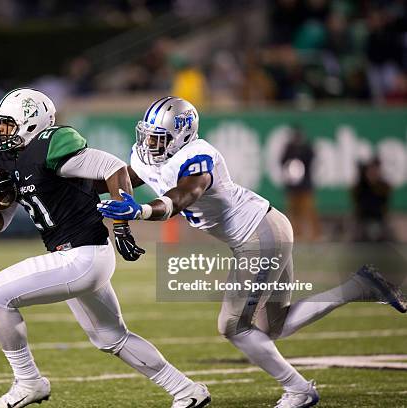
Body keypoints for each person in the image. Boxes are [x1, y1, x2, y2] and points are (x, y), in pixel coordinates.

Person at [97, 96, 407, 408]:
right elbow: (121, 175)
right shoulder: (146, 154)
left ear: (182, 135)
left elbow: (183, 196)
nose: (149, 142)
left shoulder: (199, 156)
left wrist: (140, 211)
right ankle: (360, 287)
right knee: (272, 327)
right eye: (148, 134)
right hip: (261, 232)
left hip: (260, 234)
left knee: (233, 326)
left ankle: (299, 390)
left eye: (158, 136)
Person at [0, 88, 210, 408]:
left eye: (7, 123)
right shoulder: (7, 160)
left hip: (82, 255)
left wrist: (123, 224)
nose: (1, 131)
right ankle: (186, 390)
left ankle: (29, 382)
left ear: (29, 123)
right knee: (111, 337)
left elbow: (114, 168)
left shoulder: (51, 143)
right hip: (73, 256)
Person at [280, 125, 320, 241]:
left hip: (305, 186)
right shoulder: (289, 149)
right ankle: (296, 234)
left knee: (309, 211)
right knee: (293, 212)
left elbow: (311, 161)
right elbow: (283, 162)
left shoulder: (307, 148)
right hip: (292, 186)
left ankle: (314, 235)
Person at [352, 157, 392, 242]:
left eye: (375, 171)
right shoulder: (361, 187)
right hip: (363, 221)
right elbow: (357, 201)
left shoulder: (383, 186)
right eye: (370, 171)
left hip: (379, 221)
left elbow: (384, 203)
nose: (373, 174)